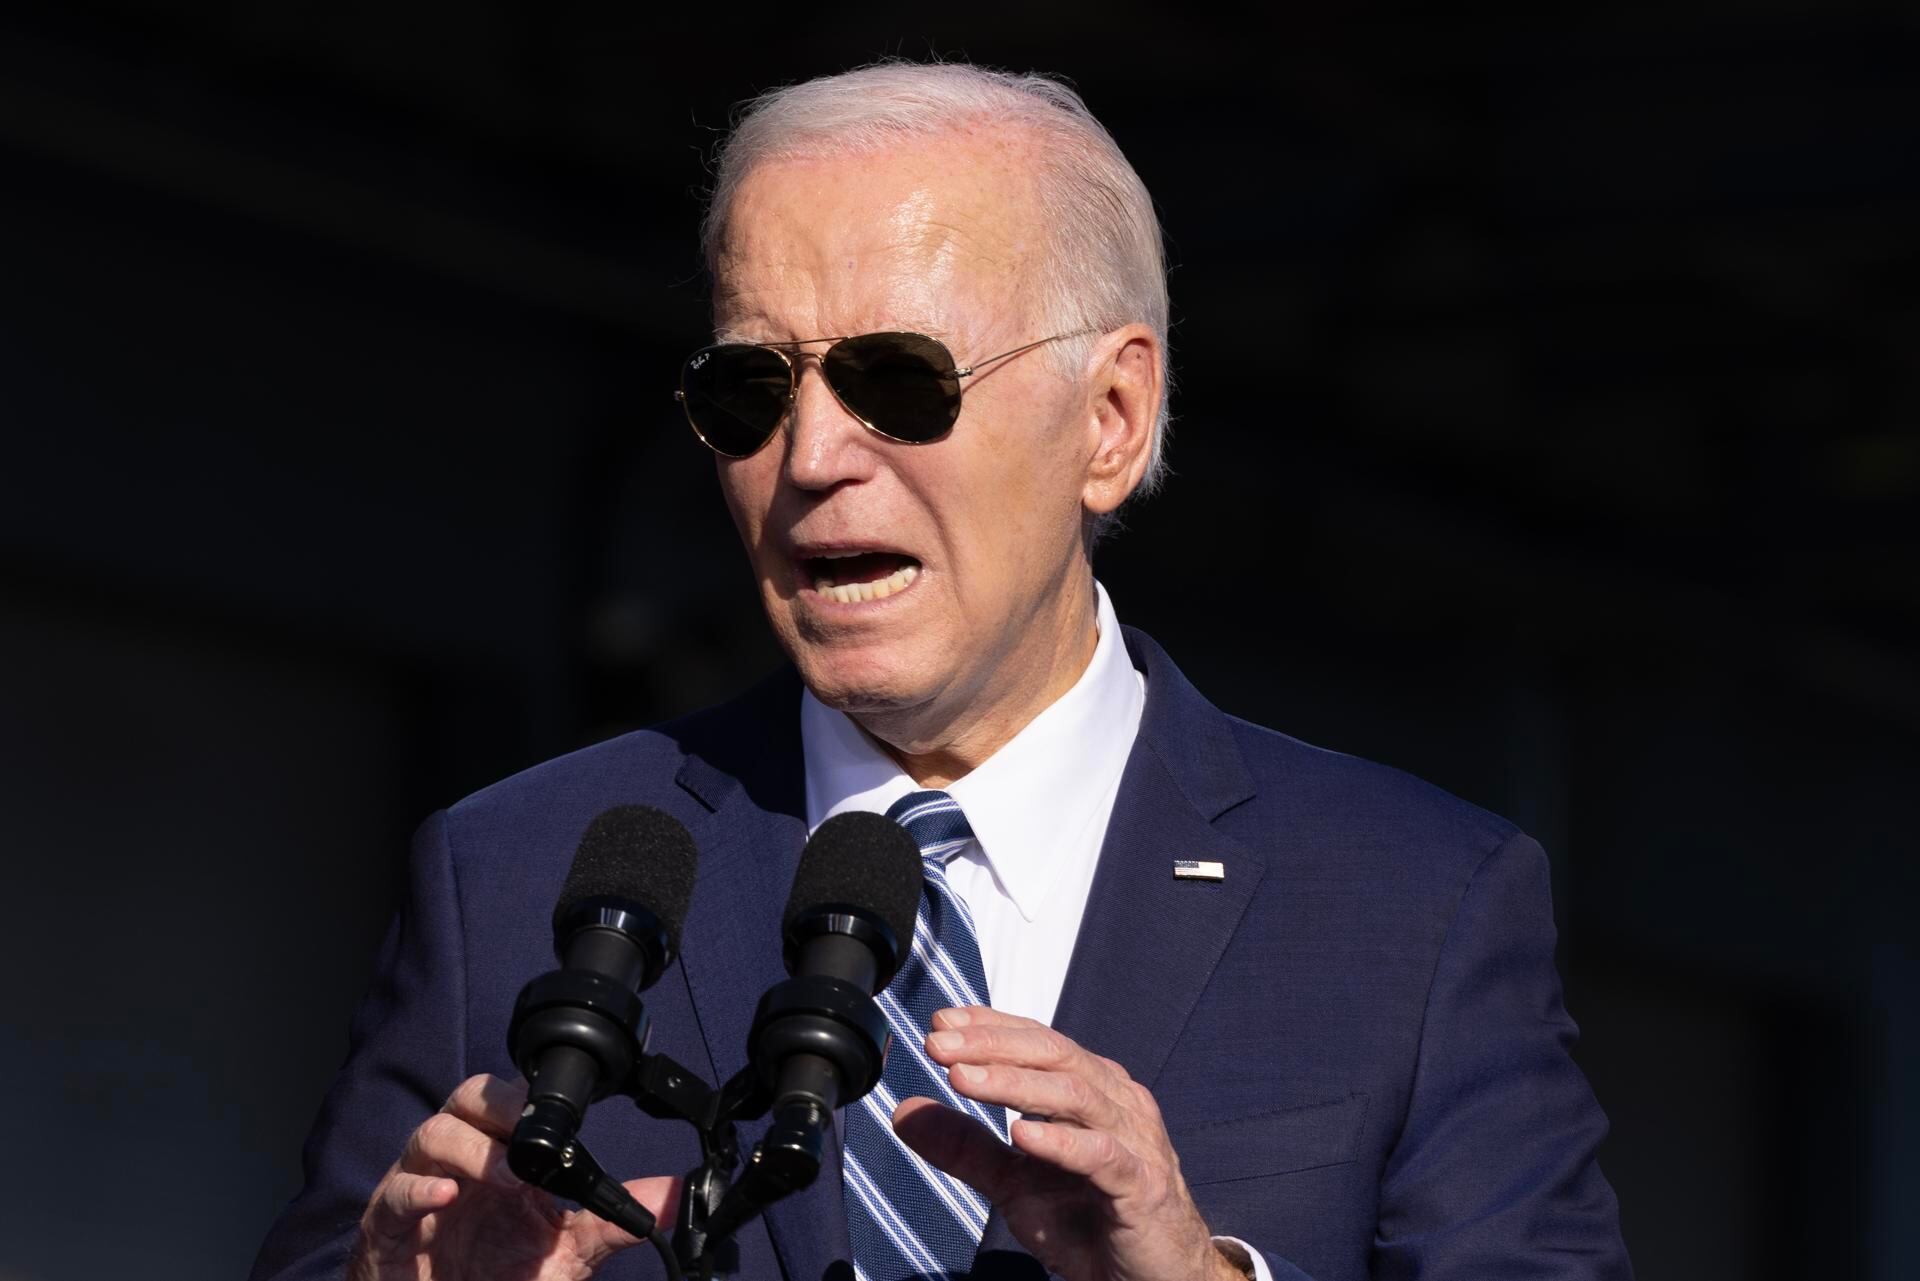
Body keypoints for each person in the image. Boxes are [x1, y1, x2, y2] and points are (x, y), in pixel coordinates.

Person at [252, 61, 1632, 1281]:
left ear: (1111, 416)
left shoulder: (1416, 906)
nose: (812, 459)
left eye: (896, 380)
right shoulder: (507, 873)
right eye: (751, 391)